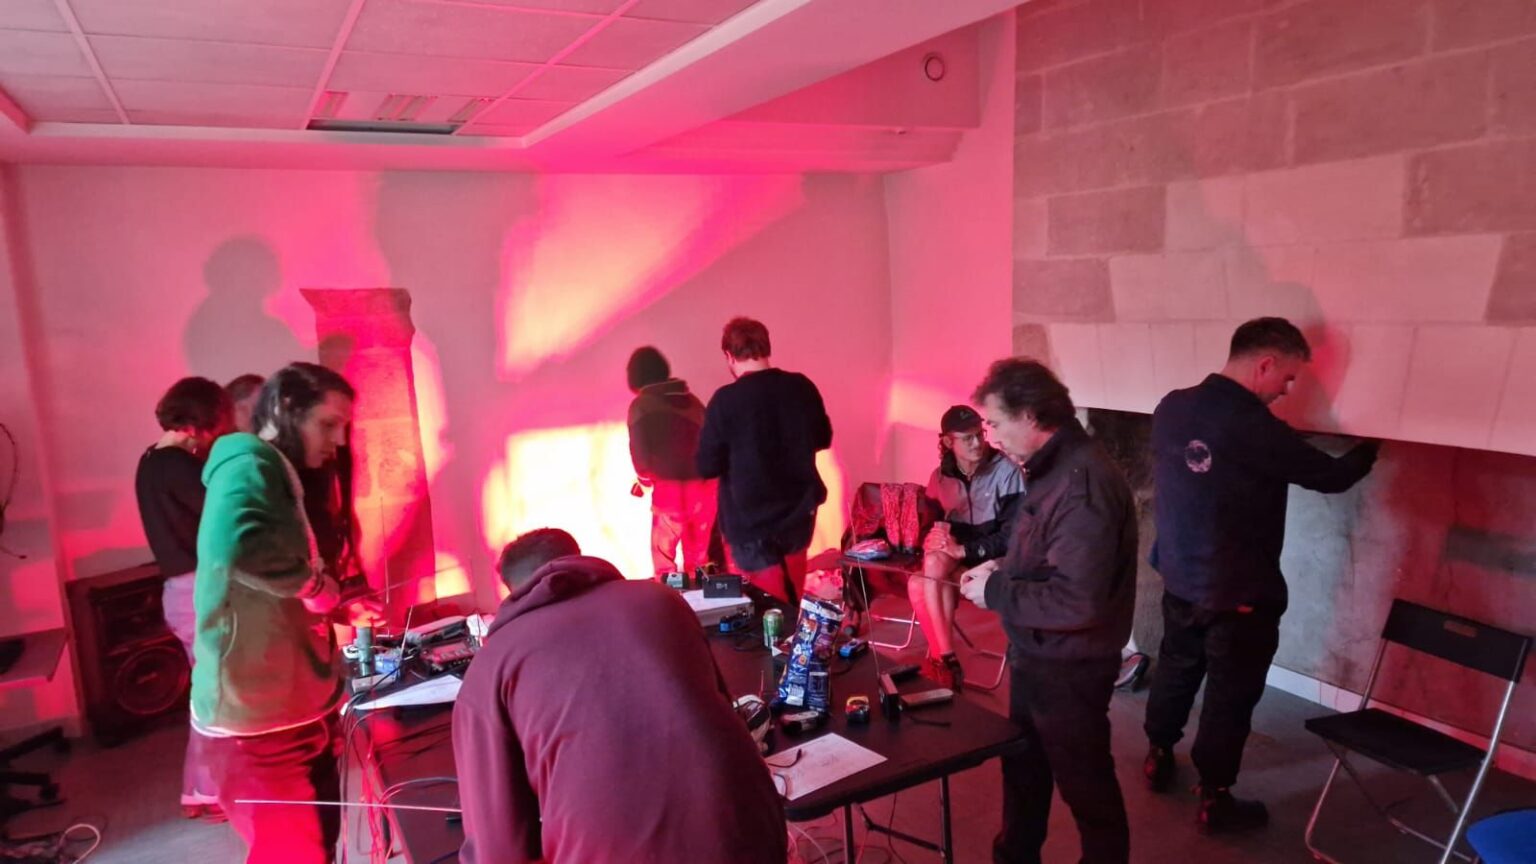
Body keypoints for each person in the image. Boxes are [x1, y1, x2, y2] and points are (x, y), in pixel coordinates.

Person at [1143, 317, 1379, 833]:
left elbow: (1220, 459)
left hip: (1179, 577)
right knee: (1230, 694)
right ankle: (1215, 797)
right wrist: (1375, 442)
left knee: (1177, 667)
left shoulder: (1171, 407)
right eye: (1287, 378)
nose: (1286, 390)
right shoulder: (1255, 427)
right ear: (1265, 364)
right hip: (1239, 594)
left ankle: (1157, 754)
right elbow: (1333, 476)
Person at [452, 528, 786, 864]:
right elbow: (722, 714)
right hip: (755, 833)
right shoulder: (661, 599)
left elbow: (496, 852)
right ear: (577, 558)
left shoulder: (490, 667)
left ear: (512, 591)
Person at [191, 362, 373, 864]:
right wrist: (313, 587)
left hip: (296, 710)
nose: (337, 441)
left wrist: (335, 602)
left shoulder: (281, 473)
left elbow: (278, 581)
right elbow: (236, 547)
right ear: (286, 411)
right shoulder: (248, 462)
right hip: (256, 724)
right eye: (328, 424)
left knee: (318, 847)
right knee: (294, 855)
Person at [959, 358, 1135, 864]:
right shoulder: (1050, 468)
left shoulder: (1082, 483)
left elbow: (1078, 600)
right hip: (1038, 655)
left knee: (1086, 788)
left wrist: (996, 592)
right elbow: (1049, 552)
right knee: (1024, 771)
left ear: (1030, 415)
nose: (991, 437)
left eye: (995, 423)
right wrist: (1002, 564)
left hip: (1069, 666)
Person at [134, 376, 233, 819]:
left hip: (179, 589)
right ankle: (210, 792)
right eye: (215, 429)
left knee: (208, 692)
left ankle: (198, 791)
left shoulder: (149, 461)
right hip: (197, 588)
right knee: (219, 694)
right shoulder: (178, 465)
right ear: (198, 423)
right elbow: (224, 516)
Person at [697, 317, 832, 604]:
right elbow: (823, 437)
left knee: (765, 610)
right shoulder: (801, 388)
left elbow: (707, 465)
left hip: (749, 523)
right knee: (792, 597)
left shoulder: (724, 401)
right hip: (798, 513)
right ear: (766, 347)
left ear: (729, 355)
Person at [914, 404, 1024, 691]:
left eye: (979, 434)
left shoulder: (1007, 472)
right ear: (948, 442)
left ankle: (941, 660)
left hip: (993, 559)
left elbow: (1014, 537)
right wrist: (933, 536)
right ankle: (945, 658)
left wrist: (964, 552)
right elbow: (930, 523)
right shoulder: (940, 476)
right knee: (923, 574)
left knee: (922, 582)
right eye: (967, 438)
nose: (977, 443)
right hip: (955, 555)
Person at [625, 346, 718, 578]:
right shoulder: (693, 402)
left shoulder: (641, 406)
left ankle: (668, 599)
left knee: (664, 561)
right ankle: (698, 597)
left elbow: (640, 456)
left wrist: (643, 483)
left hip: (670, 493)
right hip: (705, 490)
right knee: (699, 562)